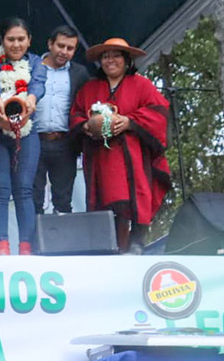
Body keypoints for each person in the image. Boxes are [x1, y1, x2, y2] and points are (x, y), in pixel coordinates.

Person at [69, 38, 171, 254]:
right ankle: (108, 246)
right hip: (100, 158)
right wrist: (85, 126)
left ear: (127, 60)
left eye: (116, 55)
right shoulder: (89, 89)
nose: (110, 60)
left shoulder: (142, 85)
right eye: (106, 56)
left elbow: (158, 113)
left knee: (135, 197)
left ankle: (136, 242)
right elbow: (76, 114)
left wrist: (129, 122)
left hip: (133, 157)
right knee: (104, 199)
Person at [0, 17, 46, 255]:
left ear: (29, 41)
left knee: (24, 190)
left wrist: (30, 100)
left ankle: (26, 247)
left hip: (26, 134)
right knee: (0, 189)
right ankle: (2, 247)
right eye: (11, 39)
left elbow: (38, 83)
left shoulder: (37, 62)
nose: (16, 44)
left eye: (21, 39)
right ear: (2, 41)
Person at [33, 25, 90, 216]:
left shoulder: (80, 73)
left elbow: (85, 106)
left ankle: (62, 244)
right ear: (50, 44)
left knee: (64, 200)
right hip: (33, 141)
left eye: (70, 48)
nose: (64, 52)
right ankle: (33, 245)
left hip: (65, 143)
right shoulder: (32, 67)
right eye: (60, 46)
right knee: (33, 199)